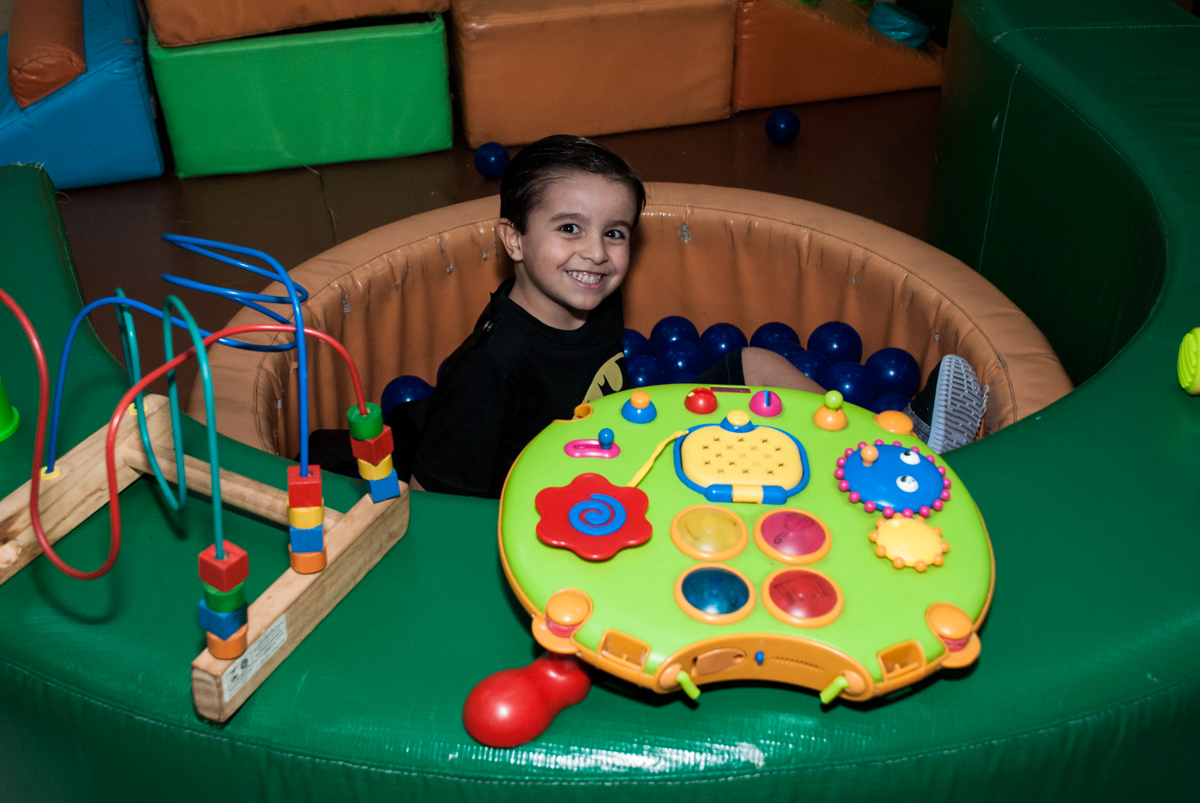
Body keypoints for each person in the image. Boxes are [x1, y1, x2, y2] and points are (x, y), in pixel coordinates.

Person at [306, 135, 825, 496]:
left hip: (612, 453)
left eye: (615, 232)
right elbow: (434, 506)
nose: (597, 253)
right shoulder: (491, 369)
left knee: (756, 364)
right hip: (540, 500)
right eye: (570, 229)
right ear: (514, 238)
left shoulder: (590, 291)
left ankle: (881, 458)